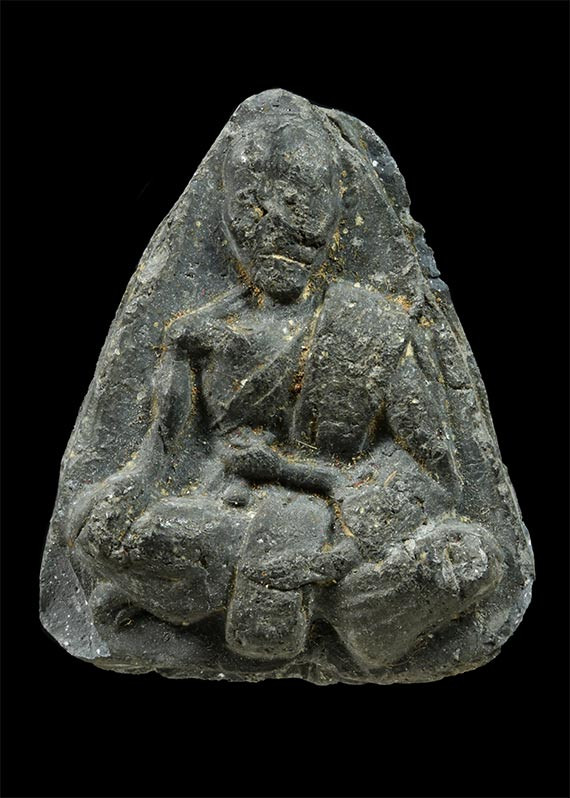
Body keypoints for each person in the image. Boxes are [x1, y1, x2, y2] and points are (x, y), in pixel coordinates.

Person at [70, 111, 502, 670]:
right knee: (93, 524)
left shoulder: (373, 327)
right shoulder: (197, 337)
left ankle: (313, 612)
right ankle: (320, 621)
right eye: (252, 208)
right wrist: (127, 503)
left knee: (472, 558)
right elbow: (156, 469)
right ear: (224, 214)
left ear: (339, 207)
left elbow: (435, 475)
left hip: (340, 539)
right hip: (230, 525)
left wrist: (313, 506)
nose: (276, 231)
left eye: (301, 206)